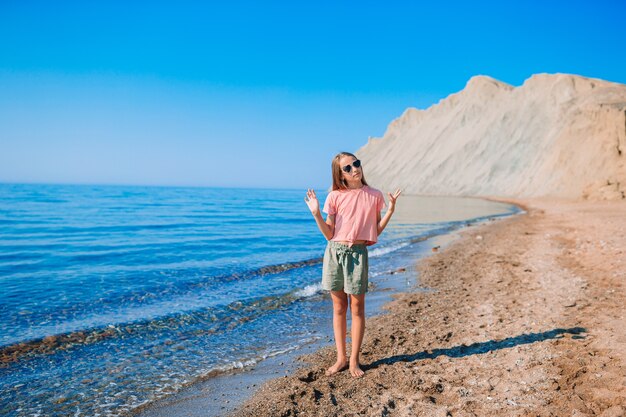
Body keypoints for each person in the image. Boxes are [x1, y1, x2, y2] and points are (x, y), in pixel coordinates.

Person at [304, 151, 401, 378]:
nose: (354, 169)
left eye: (355, 164)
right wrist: (317, 213)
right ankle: (341, 358)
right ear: (341, 175)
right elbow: (329, 234)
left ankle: (354, 361)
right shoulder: (334, 196)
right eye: (347, 168)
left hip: (358, 254)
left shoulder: (374, 195)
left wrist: (391, 211)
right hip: (335, 253)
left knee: (357, 309)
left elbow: (375, 231)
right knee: (339, 309)